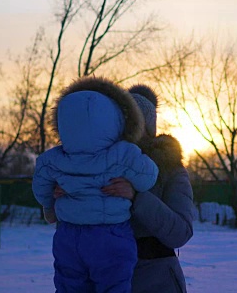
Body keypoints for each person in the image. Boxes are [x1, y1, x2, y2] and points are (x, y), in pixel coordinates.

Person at [32, 76, 159, 293]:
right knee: (114, 285)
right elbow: (148, 176)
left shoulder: (53, 158)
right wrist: (132, 186)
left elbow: (40, 187)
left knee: (69, 285)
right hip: (111, 236)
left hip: (68, 237)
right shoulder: (123, 153)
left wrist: (49, 205)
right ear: (117, 120)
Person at [102, 84, 194, 293]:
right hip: (105, 278)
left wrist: (137, 198)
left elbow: (181, 232)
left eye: (134, 121)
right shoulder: (101, 164)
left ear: (147, 126)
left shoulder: (170, 168)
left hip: (157, 281)